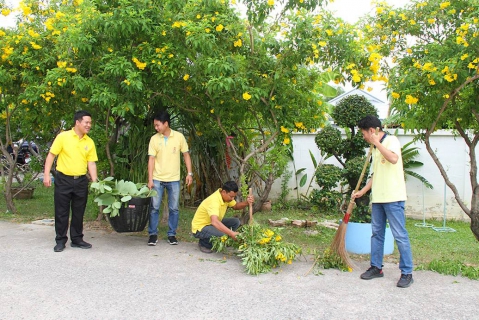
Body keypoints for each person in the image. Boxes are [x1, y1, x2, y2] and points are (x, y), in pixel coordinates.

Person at [352, 115, 414, 288]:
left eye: (364, 133)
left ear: (372, 131)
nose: (363, 137)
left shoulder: (391, 141)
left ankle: (407, 272)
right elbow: (374, 176)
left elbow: (394, 159)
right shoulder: (374, 149)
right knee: (377, 234)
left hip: (393, 198)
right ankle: (376, 268)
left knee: (399, 235)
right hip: (378, 199)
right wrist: (361, 192)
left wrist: (376, 143)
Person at [43, 110, 98, 253]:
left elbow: (91, 163)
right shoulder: (63, 137)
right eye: (86, 122)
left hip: (80, 181)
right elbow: (51, 156)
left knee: (79, 211)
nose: (89, 125)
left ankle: (77, 239)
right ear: (78, 122)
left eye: (90, 123)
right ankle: (60, 240)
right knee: (62, 212)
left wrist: (95, 180)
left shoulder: (89, 142)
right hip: (63, 180)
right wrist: (46, 175)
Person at [147, 111, 193, 246]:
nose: (156, 128)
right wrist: (150, 179)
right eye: (155, 126)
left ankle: (172, 234)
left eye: (157, 125)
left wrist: (189, 173)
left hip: (174, 179)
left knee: (174, 208)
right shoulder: (154, 139)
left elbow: (186, 155)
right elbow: (151, 159)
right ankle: (152, 234)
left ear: (166, 123)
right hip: (157, 178)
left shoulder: (179, 137)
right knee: (154, 207)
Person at [191, 181, 254, 253]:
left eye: (234, 196)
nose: (233, 199)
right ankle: (204, 244)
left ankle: (224, 240)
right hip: (200, 228)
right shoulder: (214, 200)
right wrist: (231, 233)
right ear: (224, 192)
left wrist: (247, 202)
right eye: (231, 196)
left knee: (235, 222)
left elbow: (236, 206)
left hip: (212, 223)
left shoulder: (225, 197)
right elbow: (214, 222)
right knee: (223, 234)